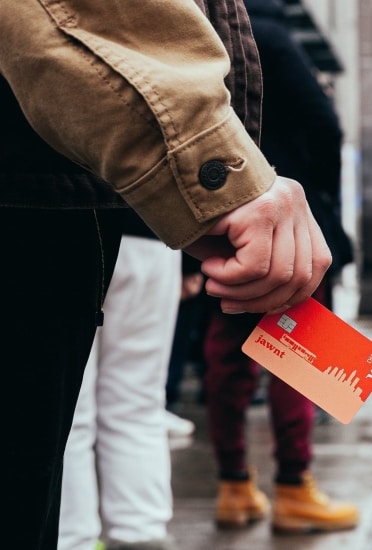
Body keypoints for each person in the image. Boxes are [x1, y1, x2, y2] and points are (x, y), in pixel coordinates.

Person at [0, 1, 330, 547]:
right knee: (133, 398)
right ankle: (143, 530)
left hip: (107, 199)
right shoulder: (277, 41)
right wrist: (221, 177)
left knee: (78, 413)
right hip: (101, 205)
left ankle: (85, 536)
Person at [202, 0, 358, 535]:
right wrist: (327, 203)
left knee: (226, 354)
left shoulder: (196, 31)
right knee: (300, 355)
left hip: (219, 217)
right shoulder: (267, 32)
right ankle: (294, 487)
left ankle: (234, 486)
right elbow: (324, 123)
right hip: (285, 219)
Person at [58, 223, 183, 550]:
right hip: (153, 228)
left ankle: (71, 539)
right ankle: (140, 531)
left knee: (67, 412)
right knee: (138, 403)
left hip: (66, 224)